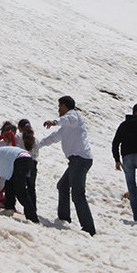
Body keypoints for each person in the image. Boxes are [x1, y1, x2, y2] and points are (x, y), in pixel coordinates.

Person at [39, 96, 96, 235]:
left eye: (60, 106)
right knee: (63, 186)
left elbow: (68, 119)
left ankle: (89, 228)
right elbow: (54, 137)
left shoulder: (73, 116)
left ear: (65, 106)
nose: (58, 109)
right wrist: (37, 145)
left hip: (80, 159)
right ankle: (64, 218)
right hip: (77, 160)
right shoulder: (66, 127)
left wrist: (54, 121)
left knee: (77, 194)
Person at [15, 119, 40, 208]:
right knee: (31, 188)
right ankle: (33, 209)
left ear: (19, 128)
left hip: (22, 162)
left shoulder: (18, 136)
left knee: (19, 186)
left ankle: (26, 207)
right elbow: (36, 153)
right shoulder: (36, 139)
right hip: (33, 163)